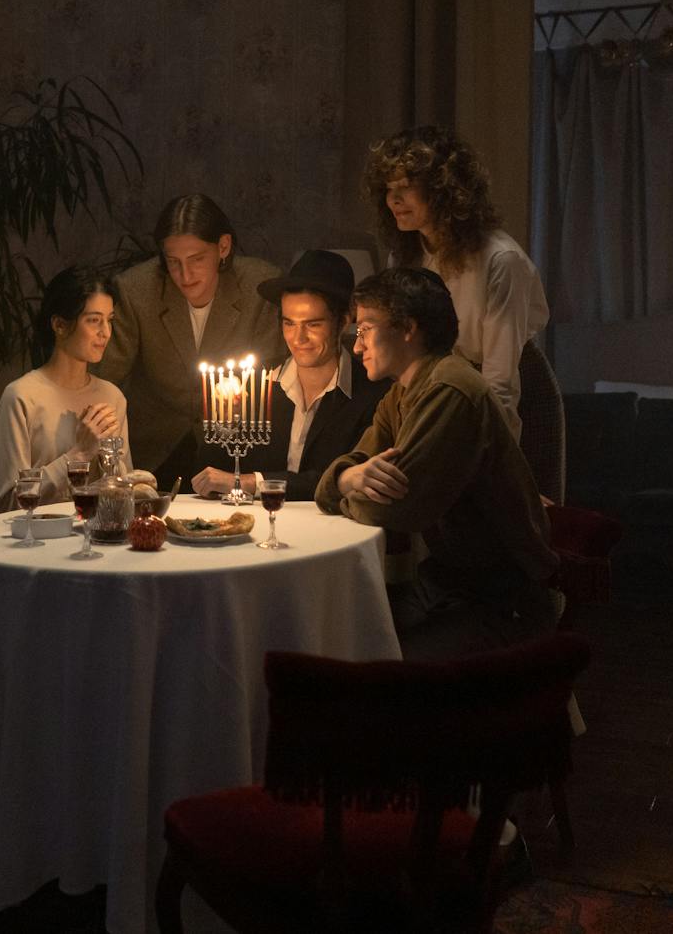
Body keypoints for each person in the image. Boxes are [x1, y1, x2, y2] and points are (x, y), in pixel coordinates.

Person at [315, 267, 557, 659]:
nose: (357, 347)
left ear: (408, 329)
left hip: (499, 600)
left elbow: (395, 509)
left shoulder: (450, 389)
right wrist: (349, 479)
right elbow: (332, 483)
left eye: (366, 330)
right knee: (337, 632)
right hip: (446, 584)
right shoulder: (401, 393)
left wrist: (349, 487)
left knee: (369, 658)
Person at [364, 126, 549, 438]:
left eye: (406, 187)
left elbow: (500, 382)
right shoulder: (404, 256)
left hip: (500, 402)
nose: (393, 199)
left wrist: (489, 452)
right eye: (388, 189)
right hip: (436, 396)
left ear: (442, 190)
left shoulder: (500, 260)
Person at [96, 194, 283, 484]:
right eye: (173, 262)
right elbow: (106, 378)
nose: (185, 275)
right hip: (155, 452)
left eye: (197, 259)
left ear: (223, 247)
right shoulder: (136, 291)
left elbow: (272, 379)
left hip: (236, 450)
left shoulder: (260, 287)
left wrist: (239, 397)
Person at [191, 250, 390, 501]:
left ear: (343, 322)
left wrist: (251, 482)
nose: (298, 338)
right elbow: (209, 477)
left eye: (313, 324)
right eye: (289, 323)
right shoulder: (253, 385)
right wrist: (225, 419)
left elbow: (346, 479)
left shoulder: (373, 395)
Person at [0, 267, 131, 514]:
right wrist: (79, 455)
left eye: (110, 320)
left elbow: (124, 494)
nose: (105, 332)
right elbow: (5, 504)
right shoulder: (21, 397)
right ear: (60, 325)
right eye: (94, 320)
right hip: (35, 536)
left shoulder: (112, 397)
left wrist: (110, 464)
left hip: (98, 534)